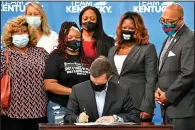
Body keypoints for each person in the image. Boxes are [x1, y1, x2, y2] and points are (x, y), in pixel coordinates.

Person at [108, 11, 157, 122]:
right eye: (124, 27)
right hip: (113, 104)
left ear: (138, 29)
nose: (127, 30)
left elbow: (151, 80)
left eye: (131, 28)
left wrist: (147, 107)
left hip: (136, 105)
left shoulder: (148, 48)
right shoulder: (112, 50)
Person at [1, 16, 48, 130]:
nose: (20, 34)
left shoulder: (40, 52)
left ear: (29, 33)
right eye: (16, 32)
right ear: (10, 35)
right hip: (12, 114)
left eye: (23, 31)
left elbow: (51, 75)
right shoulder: (4, 55)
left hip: (40, 112)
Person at [64, 56, 140, 123]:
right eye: (93, 82)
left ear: (109, 78)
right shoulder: (78, 90)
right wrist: (78, 119)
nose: (95, 85)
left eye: (99, 84)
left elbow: (134, 115)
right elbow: (68, 116)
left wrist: (114, 118)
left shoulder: (122, 91)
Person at [155, 3, 194, 130]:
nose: (166, 25)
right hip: (168, 109)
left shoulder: (190, 38)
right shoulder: (168, 39)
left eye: (170, 22)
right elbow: (162, 71)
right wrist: (159, 91)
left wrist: (168, 95)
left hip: (183, 110)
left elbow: (189, 73)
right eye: (163, 20)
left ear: (181, 19)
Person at [44, 21, 90, 124]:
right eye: (70, 38)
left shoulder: (87, 60)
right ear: (63, 39)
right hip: (60, 106)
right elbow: (49, 84)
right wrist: (74, 92)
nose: (74, 40)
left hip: (82, 108)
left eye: (77, 37)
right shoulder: (55, 57)